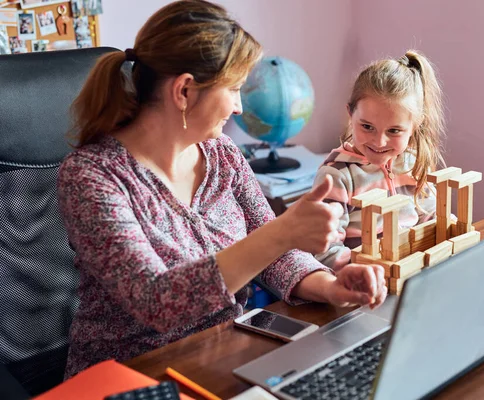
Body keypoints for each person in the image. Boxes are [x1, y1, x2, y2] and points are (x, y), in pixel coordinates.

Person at [57, 0, 387, 379]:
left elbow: (276, 256)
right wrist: (282, 231)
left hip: (221, 355)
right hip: (132, 375)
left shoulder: (222, 154)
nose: (239, 106)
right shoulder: (92, 176)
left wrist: (330, 286)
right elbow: (156, 302)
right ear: (183, 91)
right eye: (233, 89)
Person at [313, 51, 446, 270]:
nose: (379, 141)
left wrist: (445, 229)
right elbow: (325, 253)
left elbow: (429, 219)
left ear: (416, 125)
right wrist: (375, 268)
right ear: (350, 114)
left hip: (413, 276)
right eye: (367, 127)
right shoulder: (335, 176)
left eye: (394, 130)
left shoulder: (413, 162)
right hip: (365, 285)